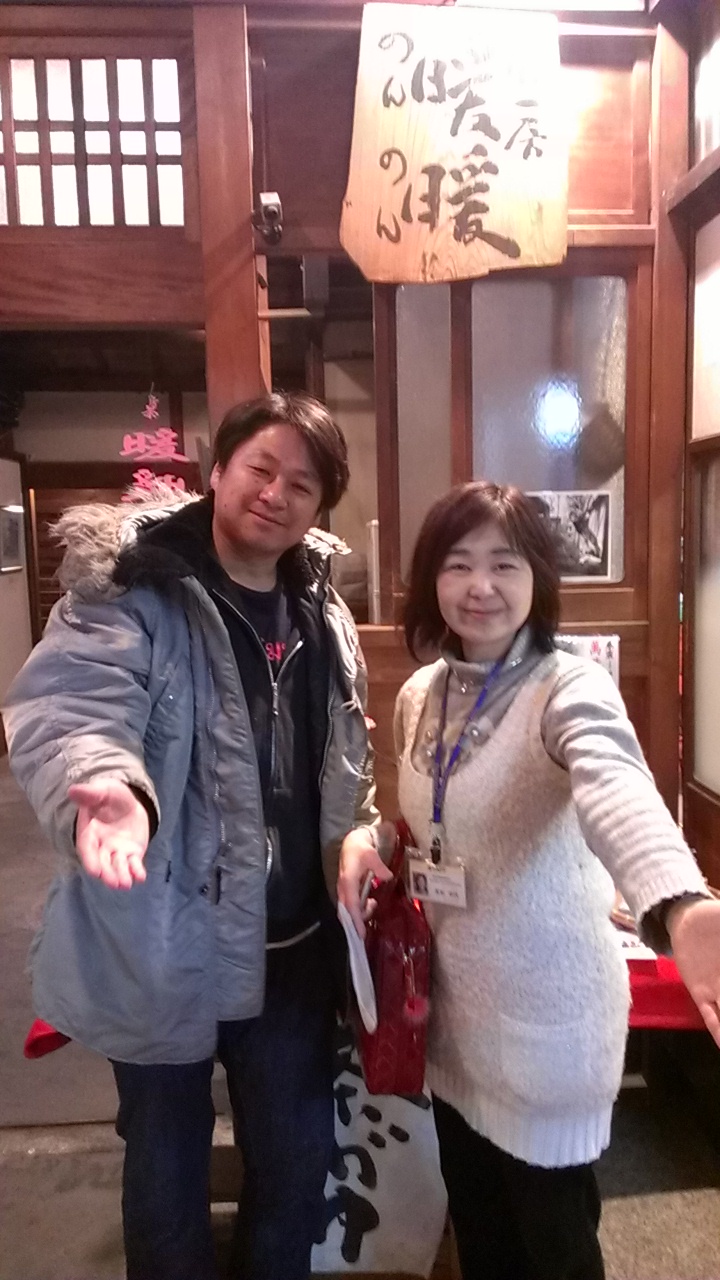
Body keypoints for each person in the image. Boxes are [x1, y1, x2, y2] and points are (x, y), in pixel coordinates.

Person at [4, 392, 379, 1280]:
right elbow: (74, 707)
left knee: (297, 1166)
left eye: (302, 484)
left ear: (319, 506)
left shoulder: (322, 607)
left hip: (291, 947)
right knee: (165, 1172)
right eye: (261, 469)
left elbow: (343, 758)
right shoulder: (133, 588)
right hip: (164, 934)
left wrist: (358, 834)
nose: (276, 494)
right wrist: (112, 789)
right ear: (218, 472)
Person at [339, 480, 720, 1280]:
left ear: (538, 579)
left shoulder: (568, 687)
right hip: (453, 1023)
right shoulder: (421, 694)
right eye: (458, 563)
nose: (480, 586)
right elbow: (433, 822)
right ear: (431, 579)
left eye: (504, 564)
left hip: (550, 1027)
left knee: (555, 1249)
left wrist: (681, 906)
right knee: (482, 1235)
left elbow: (620, 792)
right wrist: (372, 839)